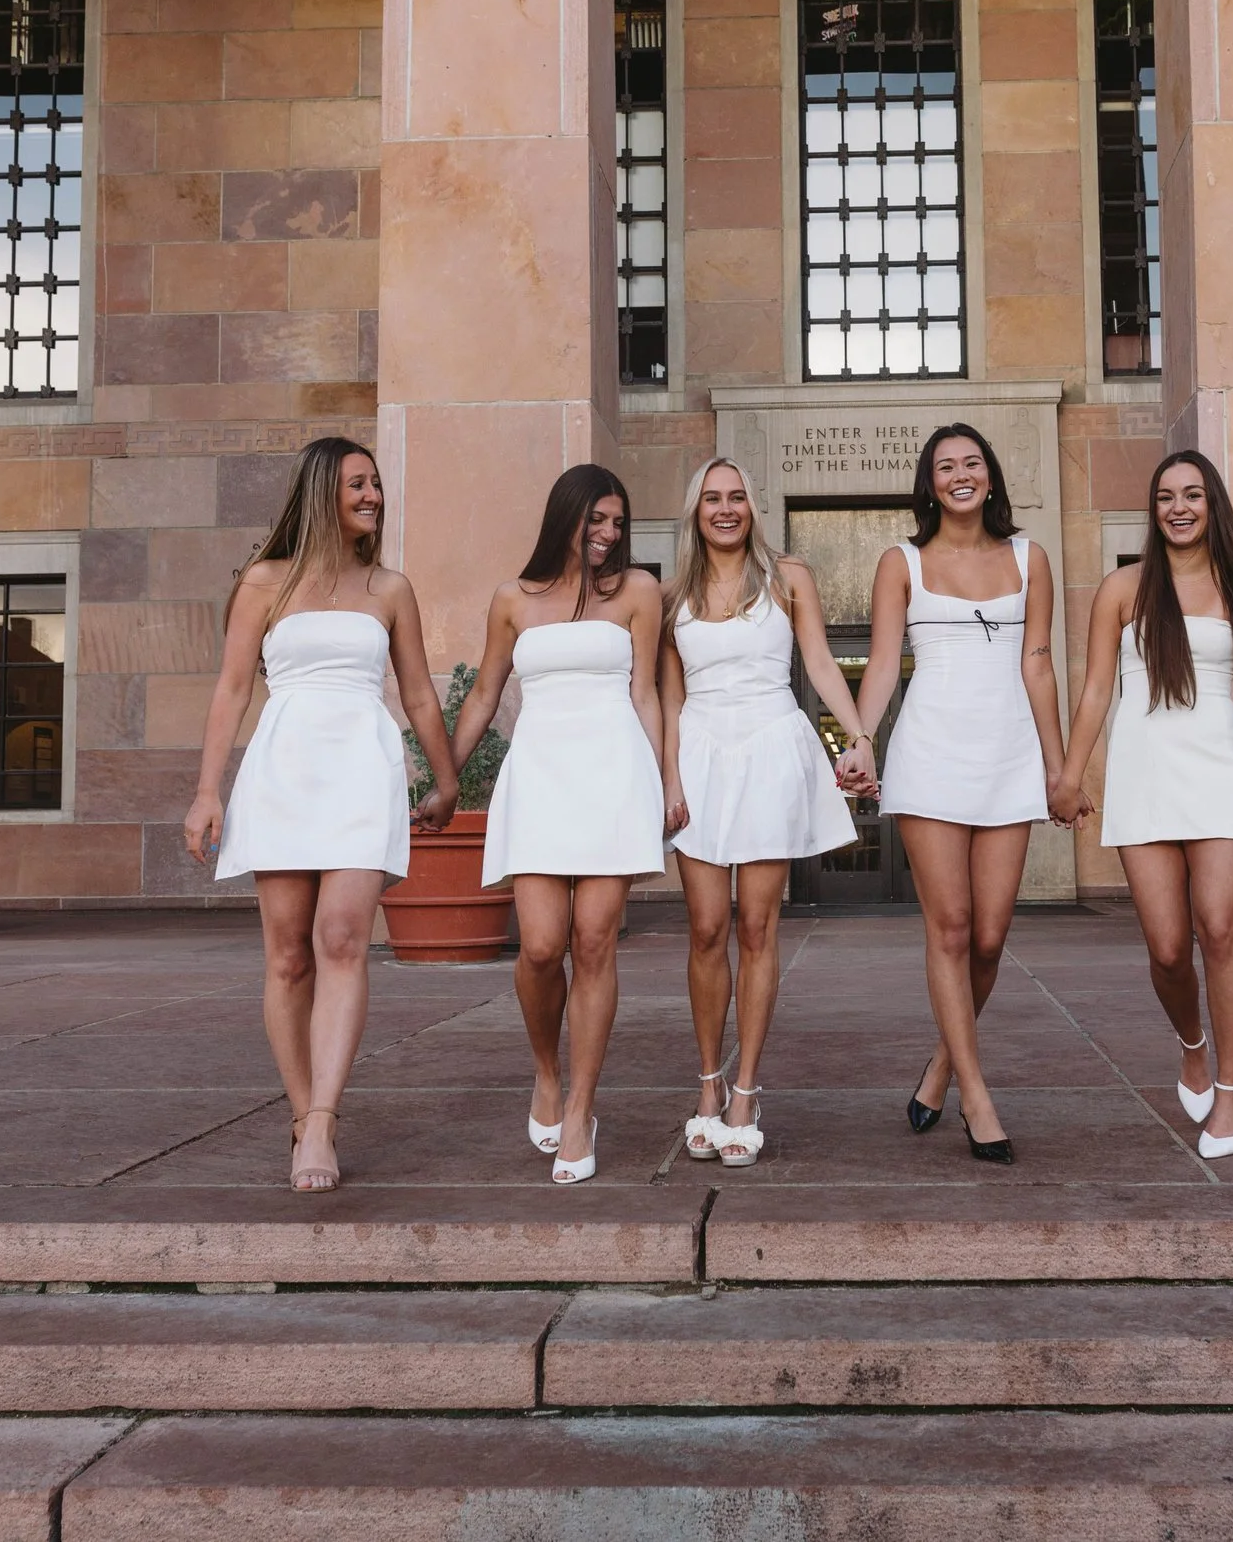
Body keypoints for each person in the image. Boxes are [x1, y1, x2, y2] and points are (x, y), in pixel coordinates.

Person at [184, 436, 454, 1194]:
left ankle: (326, 1121)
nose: (372, 496)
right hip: (284, 768)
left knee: (342, 937)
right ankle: (301, 1112)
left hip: (362, 769)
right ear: (321, 493)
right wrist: (208, 792)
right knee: (287, 955)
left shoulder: (389, 588)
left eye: (375, 484)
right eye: (357, 485)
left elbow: (420, 694)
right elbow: (233, 690)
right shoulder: (264, 582)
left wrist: (446, 779)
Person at [1052, 450, 1233, 1159]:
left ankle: (1230, 1093)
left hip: (1217, 774)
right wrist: (1068, 773)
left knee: (1219, 929)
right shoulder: (1122, 589)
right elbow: (1093, 692)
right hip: (1144, 775)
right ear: (1154, 508)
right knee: (1169, 947)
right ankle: (1193, 1044)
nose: (1179, 506)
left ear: (1213, 506)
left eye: (1193, 495)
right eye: (1167, 495)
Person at [847, 424, 1070, 1165]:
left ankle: (942, 1065)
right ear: (930, 484)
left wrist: (1058, 766)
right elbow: (881, 666)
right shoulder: (900, 562)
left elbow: (1039, 665)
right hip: (931, 753)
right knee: (949, 928)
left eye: (973, 461)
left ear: (992, 476)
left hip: (1009, 755)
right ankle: (977, 1095)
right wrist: (859, 738)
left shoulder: (1030, 557)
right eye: (946, 467)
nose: (961, 474)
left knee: (990, 936)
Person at [449, 464, 667, 1185]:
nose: (607, 535)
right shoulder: (513, 599)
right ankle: (546, 1071)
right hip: (540, 777)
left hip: (613, 775)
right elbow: (484, 693)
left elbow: (646, 693)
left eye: (617, 523)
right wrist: (445, 776)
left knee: (595, 941)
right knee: (541, 947)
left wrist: (668, 780)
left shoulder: (637, 592)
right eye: (596, 520)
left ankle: (580, 1106)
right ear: (565, 517)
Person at [658, 459, 878, 1169]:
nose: (726, 509)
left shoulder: (790, 578)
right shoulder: (672, 596)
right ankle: (707, 1083)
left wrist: (859, 740)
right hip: (698, 753)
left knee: (756, 925)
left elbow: (817, 664)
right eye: (712, 499)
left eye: (738, 497)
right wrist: (668, 776)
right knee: (705, 927)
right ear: (695, 511)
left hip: (770, 747)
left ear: (753, 507)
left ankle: (747, 1089)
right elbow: (667, 698)